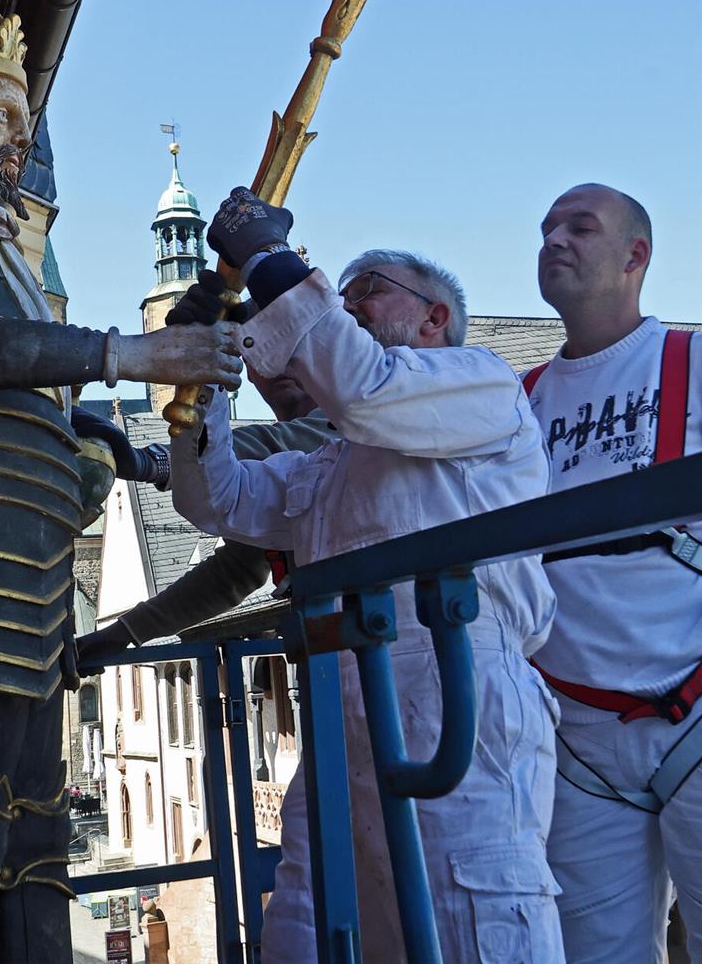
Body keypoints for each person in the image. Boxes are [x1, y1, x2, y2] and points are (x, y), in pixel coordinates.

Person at [0, 0, 240, 964]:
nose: (17, 137)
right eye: (2, 114)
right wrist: (125, 354)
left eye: (22, 116)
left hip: (25, 554)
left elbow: (19, 394)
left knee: (31, 834)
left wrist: (95, 444)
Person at [169, 188, 566, 964]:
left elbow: (363, 388)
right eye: (338, 294)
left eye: (367, 290)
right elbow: (215, 498)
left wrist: (267, 256)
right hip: (339, 713)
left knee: (469, 926)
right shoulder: (331, 463)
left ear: (434, 318)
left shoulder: (482, 386)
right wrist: (204, 376)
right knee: (310, 934)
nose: (344, 305)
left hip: (458, 709)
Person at [525, 183, 702, 964]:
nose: (554, 239)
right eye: (547, 228)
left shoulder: (694, 362)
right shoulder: (517, 401)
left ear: (636, 255)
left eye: (580, 227)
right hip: (578, 740)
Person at [71, 331, 331, 665]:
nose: (280, 363)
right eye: (264, 349)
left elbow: (287, 447)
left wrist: (152, 463)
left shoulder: (355, 424)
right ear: (249, 370)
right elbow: (237, 569)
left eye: (295, 346)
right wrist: (123, 632)